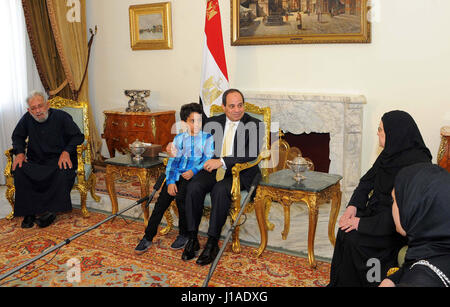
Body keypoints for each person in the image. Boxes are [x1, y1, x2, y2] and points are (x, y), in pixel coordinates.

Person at [328, 110, 432, 287]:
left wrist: (361, 224)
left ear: (395, 134)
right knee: (345, 231)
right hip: (377, 213)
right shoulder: (390, 152)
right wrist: (353, 207)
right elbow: (366, 182)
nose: (377, 132)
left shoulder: (417, 164)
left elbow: (405, 213)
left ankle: (370, 282)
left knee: (356, 240)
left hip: (396, 225)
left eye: (381, 129)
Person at [181, 88, 264, 266]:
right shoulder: (213, 122)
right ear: (224, 107)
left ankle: (212, 242)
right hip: (214, 169)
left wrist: (222, 161)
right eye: (232, 106)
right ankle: (193, 237)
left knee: (220, 190)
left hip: (242, 172)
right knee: (194, 186)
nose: (237, 110)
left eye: (240, 105)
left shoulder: (255, 124)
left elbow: (251, 153)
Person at [134, 103, 214, 254]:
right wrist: (170, 182)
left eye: (199, 120)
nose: (197, 124)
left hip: (193, 177)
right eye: (192, 121)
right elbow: (172, 162)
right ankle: (147, 237)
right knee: (160, 205)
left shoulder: (207, 138)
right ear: (184, 122)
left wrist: (193, 170)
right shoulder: (178, 139)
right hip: (175, 176)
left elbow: (207, 159)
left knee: (182, 201)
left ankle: (183, 235)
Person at [11, 91, 85, 228]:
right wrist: (20, 153)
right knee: (19, 169)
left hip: (58, 160)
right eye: (33, 108)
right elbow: (17, 136)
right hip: (36, 161)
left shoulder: (62, 117)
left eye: (40, 106)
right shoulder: (27, 118)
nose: (38, 111)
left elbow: (78, 136)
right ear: (29, 110)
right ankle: (29, 211)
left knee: (63, 171)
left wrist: (66, 151)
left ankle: (51, 212)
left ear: (47, 105)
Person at [379, 163, 450, 287]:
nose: (392, 207)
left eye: (395, 200)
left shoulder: (418, 281)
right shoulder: (438, 248)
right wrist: (391, 280)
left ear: (414, 209)